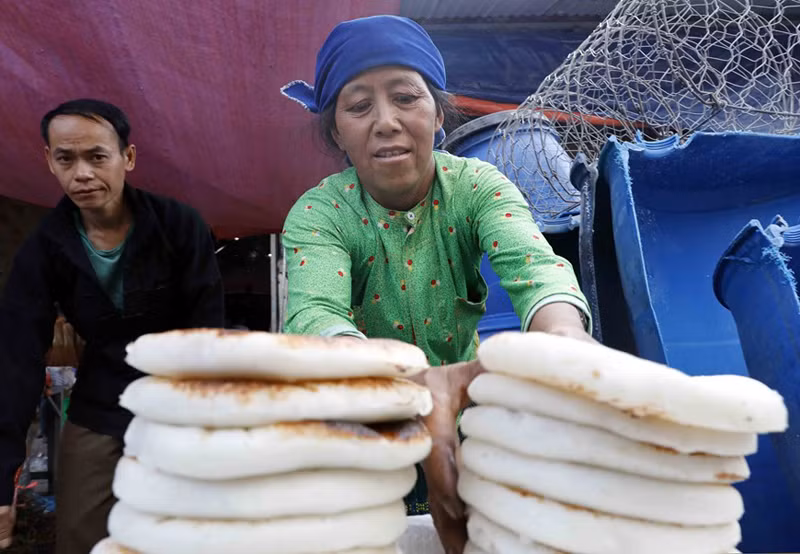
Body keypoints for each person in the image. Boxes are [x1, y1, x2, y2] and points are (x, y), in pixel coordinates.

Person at [281, 15, 595, 553]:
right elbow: (316, 314)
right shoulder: (320, 213)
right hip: (363, 435)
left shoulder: (476, 187)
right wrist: (395, 380)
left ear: (437, 111)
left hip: (471, 431)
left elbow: (535, 269)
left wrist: (564, 337)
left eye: (406, 98)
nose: (386, 122)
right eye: (359, 106)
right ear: (336, 131)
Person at [0, 99, 224, 553]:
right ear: (49, 160)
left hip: (177, 404)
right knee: (81, 534)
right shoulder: (45, 247)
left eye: (97, 157)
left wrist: (204, 429)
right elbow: (17, 358)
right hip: (99, 407)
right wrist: (1, 477)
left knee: (186, 535)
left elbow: (207, 336)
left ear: (128, 157)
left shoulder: (179, 226)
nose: (82, 174)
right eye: (66, 159)